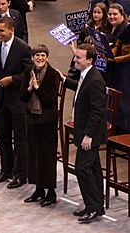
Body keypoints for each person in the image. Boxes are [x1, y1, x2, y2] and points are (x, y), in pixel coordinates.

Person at [59, 43, 107, 222]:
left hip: (90, 134)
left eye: (79, 57)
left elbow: (97, 111)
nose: (75, 60)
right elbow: (80, 89)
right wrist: (64, 80)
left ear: (89, 60)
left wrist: (88, 135)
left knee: (82, 168)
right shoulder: (86, 75)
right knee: (93, 169)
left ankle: (93, 207)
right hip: (86, 131)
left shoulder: (95, 80)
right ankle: (96, 206)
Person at [0, 16, 31, 188]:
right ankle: (6, 170)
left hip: (17, 100)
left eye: (1, 31)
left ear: (11, 30)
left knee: (19, 138)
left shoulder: (23, 48)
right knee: (3, 135)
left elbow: (28, 74)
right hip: (1, 98)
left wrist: (12, 79)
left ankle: (21, 174)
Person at [20, 44, 59, 207]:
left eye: (43, 55)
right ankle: (38, 189)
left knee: (47, 157)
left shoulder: (52, 74)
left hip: (47, 120)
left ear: (47, 57)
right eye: (37, 55)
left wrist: (37, 87)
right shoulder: (28, 72)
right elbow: (22, 97)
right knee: (33, 155)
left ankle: (51, 192)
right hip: (32, 118)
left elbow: (50, 100)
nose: (40, 58)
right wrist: (29, 88)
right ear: (32, 58)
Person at [109, 23, 130, 134]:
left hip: (127, 69)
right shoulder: (127, 29)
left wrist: (115, 59)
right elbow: (117, 46)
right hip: (120, 70)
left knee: (126, 100)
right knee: (119, 99)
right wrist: (110, 54)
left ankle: (126, 130)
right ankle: (118, 126)